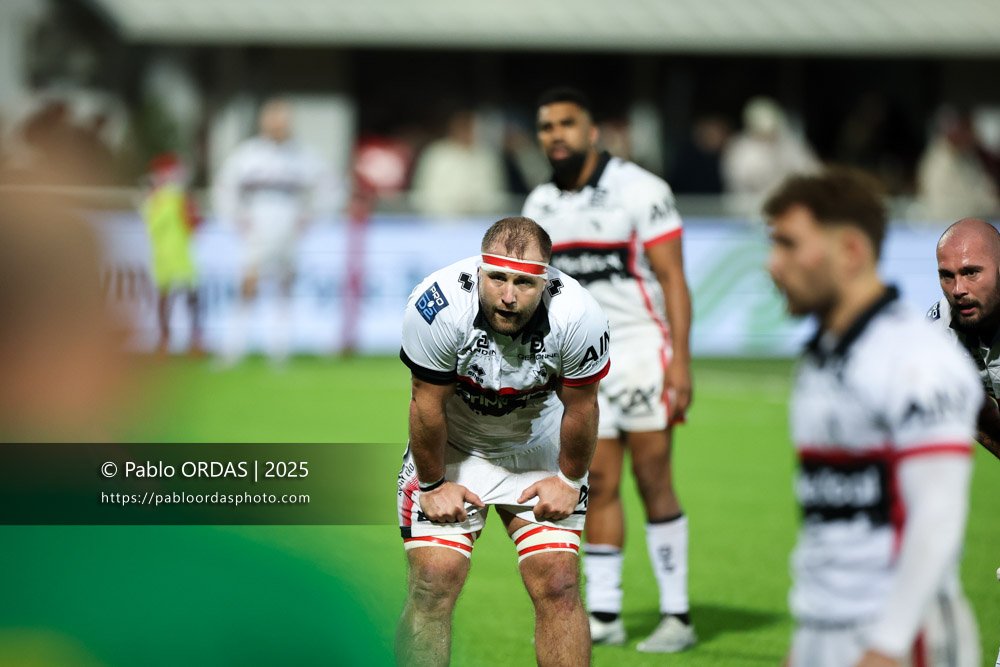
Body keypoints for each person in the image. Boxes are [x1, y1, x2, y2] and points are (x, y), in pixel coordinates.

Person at [765, 168, 982, 667]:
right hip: (824, 630)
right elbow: (828, 524)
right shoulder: (819, 361)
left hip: (904, 636)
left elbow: (937, 521)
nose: (772, 265)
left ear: (850, 252)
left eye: (789, 245)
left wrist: (887, 644)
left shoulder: (918, 360)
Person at [523, 87, 695, 653]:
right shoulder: (539, 203)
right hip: (580, 362)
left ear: (592, 131)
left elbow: (673, 279)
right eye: (546, 126)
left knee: (653, 479)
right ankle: (605, 614)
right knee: (595, 485)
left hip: (642, 352)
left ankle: (677, 616)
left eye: (567, 123)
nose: (556, 135)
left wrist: (681, 361)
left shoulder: (641, 189)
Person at [395, 216, 610, 666]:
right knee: (433, 580)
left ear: (546, 281)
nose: (508, 296)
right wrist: (433, 485)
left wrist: (570, 480)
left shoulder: (579, 315)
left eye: (524, 283)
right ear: (479, 270)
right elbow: (426, 405)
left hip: (538, 447)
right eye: (497, 278)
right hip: (454, 448)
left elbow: (582, 407)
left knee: (558, 581)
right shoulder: (438, 306)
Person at [212, 98, 327, 365]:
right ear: (264, 124)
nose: (279, 128)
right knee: (248, 284)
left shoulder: (303, 156)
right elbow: (224, 188)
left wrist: (310, 217)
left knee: (285, 286)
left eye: (283, 123)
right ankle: (233, 348)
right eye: (274, 122)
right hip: (258, 226)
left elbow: (328, 187)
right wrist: (235, 218)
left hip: (288, 227)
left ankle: (279, 350)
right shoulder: (248, 154)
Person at [927, 217, 1000, 460]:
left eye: (971, 273)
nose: (958, 290)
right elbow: (976, 414)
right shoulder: (938, 334)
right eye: (947, 276)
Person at [141, 152, 203, 355]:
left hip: (179, 252)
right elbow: (154, 224)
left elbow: (194, 222)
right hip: (166, 253)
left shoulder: (173, 197)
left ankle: (191, 339)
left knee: (187, 295)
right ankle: (168, 339)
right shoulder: (160, 198)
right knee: (170, 297)